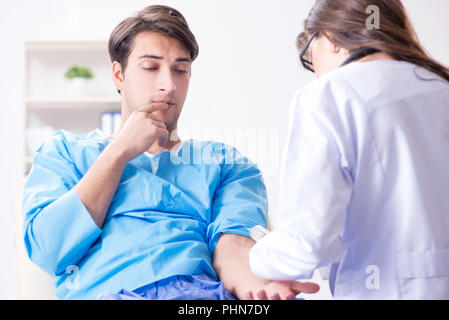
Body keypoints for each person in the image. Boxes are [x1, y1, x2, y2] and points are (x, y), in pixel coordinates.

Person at [22, 5, 319, 300]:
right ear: (118, 75)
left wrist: (259, 287)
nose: (169, 85)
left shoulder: (227, 164)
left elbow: (234, 247)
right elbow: (49, 251)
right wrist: (119, 152)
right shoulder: (64, 153)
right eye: (151, 67)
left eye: (181, 70)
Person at [249, 0, 449, 299]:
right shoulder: (440, 87)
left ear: (328, 37)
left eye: (309, 58)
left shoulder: (329, 95)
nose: (315, 73)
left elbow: (308, 243)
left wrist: (258, 256)